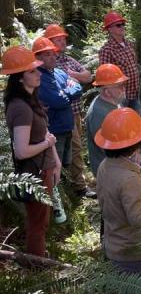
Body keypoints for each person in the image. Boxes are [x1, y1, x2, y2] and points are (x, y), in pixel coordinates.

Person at [1, 46, 61, 256]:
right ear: (19, 78)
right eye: (32, 71)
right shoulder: (20, 107)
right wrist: (48, 145)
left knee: (41, 220)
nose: (38, 73)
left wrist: (55, 161)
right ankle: (37, 266)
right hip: (34, 173)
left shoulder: (30, 100)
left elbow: (44, 134)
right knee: (38, 223)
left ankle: (38, 258)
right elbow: (22, 151)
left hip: (43, 169)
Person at [95, 108, 141, 276]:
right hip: (135, 254)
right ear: (135, 147)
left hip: (115, 245)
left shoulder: (105, 165)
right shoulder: (129, 179)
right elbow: (140, 219)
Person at [44, 24, 96, 198]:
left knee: (75, 148)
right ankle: (77, 186)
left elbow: (88, 76)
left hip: (76, 112)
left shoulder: (68, 60)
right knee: (72, 148)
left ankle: (73, 183)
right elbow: (60, 94)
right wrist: (72, 83)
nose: (63, 41)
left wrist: (71, 76)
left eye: (64, 38)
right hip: (60, 115)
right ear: (49, 42)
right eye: (58, 39)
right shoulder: (48, 63)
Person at [33, 36, 82, 170]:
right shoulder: (38, 77)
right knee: (54, 167)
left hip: (67, 127)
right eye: (48, 54)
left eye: (54, 53)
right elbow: (58, 101)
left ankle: (68, 189)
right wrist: (69, 91)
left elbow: (78, 88)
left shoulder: (59, 72)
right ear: (37, 58)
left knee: (66, 163)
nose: (53, 57)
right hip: (54, 131)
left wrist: (65, 93)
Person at [86, 64, 128, 177]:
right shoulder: (99, 114)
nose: (124, 89)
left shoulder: (115, 102)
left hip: (120, 164)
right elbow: (108, 149)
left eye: (124, 84)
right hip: (109, 172)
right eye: (119, 86)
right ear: (107, 92)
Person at [98, 11, 141, 114]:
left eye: (123, 24)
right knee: (123, 127)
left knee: (137, 124)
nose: (122, 27)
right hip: (120, 98)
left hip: (135, 94)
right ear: (109, 29)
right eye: (118, 25)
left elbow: (134, 65)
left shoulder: (129, 44)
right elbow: (106, 80)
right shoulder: (106, 50)